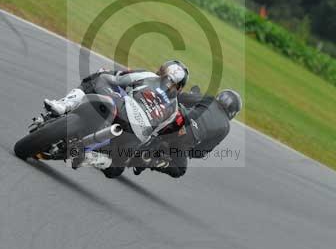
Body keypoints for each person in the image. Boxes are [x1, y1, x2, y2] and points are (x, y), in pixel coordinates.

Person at [43, 61, 189, 167]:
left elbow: (117, 79)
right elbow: (154, 133)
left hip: (122, 109)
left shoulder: (148, 75)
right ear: (180, 87)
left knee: (99, 77)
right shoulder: (174, 110)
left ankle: (63, 105)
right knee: (118, 162)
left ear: (162, 71)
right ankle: (90, 157)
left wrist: (109, 77)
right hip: (135, 137)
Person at [134, 88, 242, 178]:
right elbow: (203, 150)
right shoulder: (225, 127)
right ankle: (150, 160)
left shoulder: (209, 99)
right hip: (187, 139)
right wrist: (188, 152)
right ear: (233, 112)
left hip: (178, 118)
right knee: (179, 169)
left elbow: (183, 98)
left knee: (161, 112)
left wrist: (190, 95)